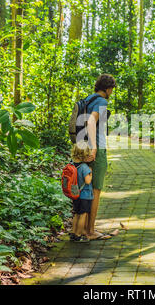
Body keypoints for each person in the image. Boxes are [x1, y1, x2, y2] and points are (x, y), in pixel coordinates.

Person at [84, 74, 116, 240]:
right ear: (108, 88)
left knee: (85, 188)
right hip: (96, 149)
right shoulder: (102, 101)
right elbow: (90, 122)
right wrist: (94, 147)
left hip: (82, 148)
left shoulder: (89, 99)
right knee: (96, 190)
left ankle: (81, 228)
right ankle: (90, 230)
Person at [70, 141, 94, 243]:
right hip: (84, 195)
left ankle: (73, 233)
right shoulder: (84, 167)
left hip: (75, 194)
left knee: (76, 214)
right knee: (83, 215)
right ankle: (79, 235)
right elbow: (87, 181)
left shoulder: (71, 164)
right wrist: (91, 172)